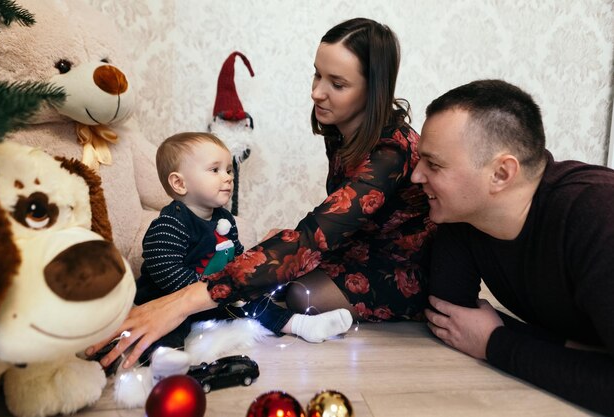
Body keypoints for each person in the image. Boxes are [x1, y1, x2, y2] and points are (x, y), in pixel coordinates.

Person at [87, 18, 434, 370]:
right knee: (265, 273)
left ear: (373, 90)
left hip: (403, 270)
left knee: (294, 291)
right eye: (317, 75)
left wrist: (180, 302)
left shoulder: (391, 153)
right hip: (359, 251)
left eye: (337, 83)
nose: (316, 92)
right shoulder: (343, 128)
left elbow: (317, 233)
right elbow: (338, 221)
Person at [411, 79, 614, 415]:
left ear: (502, 174)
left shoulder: (597, 217)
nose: (416, 176)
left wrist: (496, 343)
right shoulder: (462, 215)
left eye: (434, 165)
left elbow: (479, 335)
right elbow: (453, 320)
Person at [130, 132, 354, 363]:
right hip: (174, 297)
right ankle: (164, 358)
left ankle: (301, 324)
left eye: (228, 170)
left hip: (213, 295)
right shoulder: (171, 223)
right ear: (179, 183)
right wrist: (204, 292)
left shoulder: (224, 218)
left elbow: (235, 260)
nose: (228, 177)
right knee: (172, 325)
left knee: (256, 303)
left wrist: (244, 284)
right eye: (214, 170)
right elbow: (163, 268)